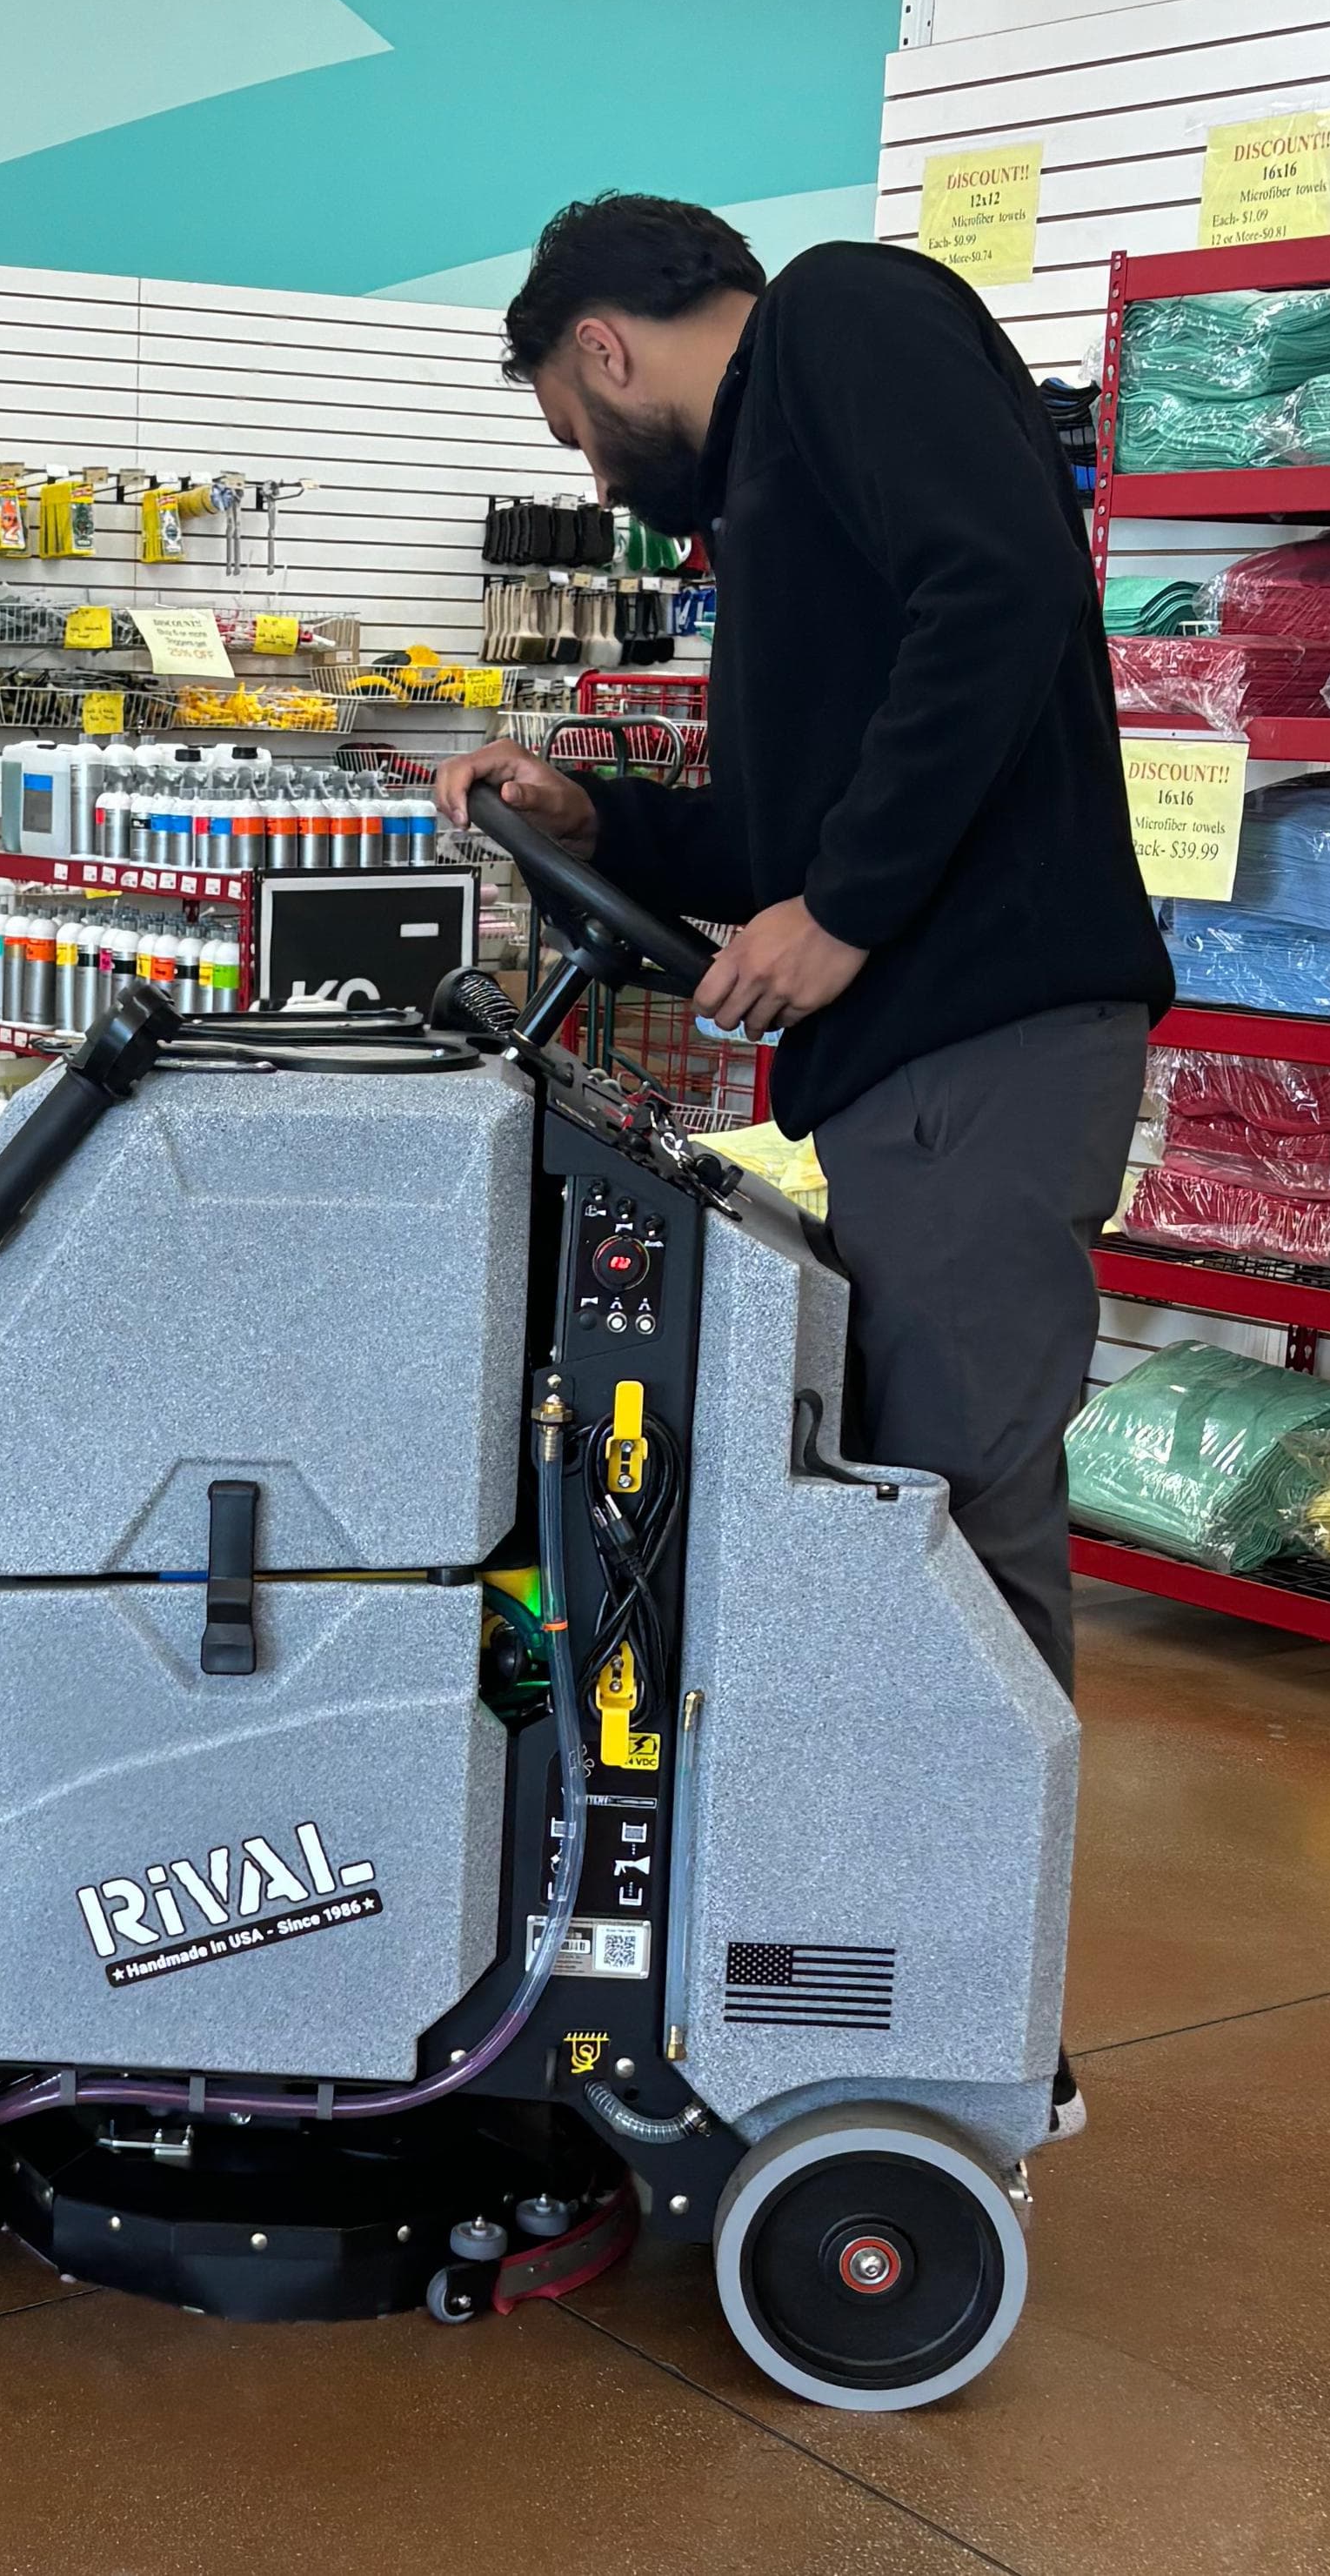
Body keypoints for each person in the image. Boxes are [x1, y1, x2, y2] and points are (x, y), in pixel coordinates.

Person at [437, 192, 1169, 1710]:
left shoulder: (842, 313)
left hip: (992, 1030)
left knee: (954, 1506)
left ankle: (962, 1904)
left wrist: (843, 915)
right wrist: (597, 819)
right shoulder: (783, 486)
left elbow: (1003, 590)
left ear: (603, 347)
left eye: (575, 426)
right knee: (904, 1483)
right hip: (918, 1057)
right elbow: (787, 837)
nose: (593, 469)